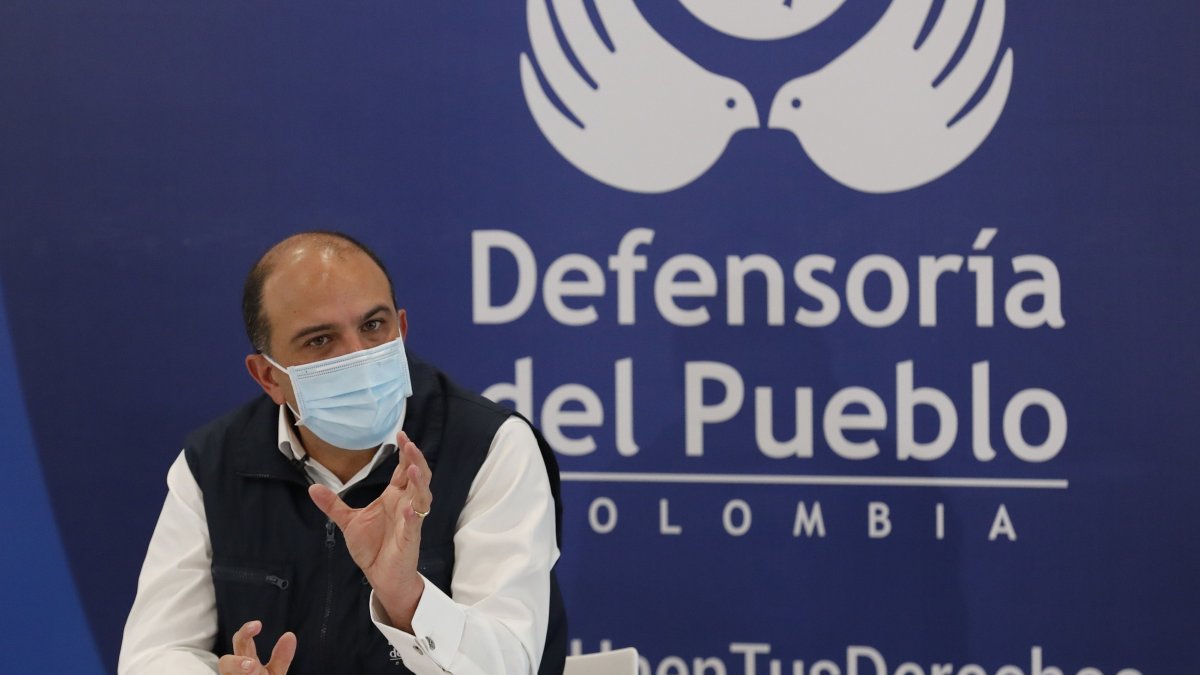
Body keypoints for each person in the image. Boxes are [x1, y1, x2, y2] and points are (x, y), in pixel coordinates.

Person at [119, 232, 566, 675]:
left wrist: (407, 598)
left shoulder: (490, 447)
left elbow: (510, 663)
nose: (358, 356)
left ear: (401, 331)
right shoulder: (212, 465)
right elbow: (153, 654)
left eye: (374, 326)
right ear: (268, 377)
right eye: (320, 341)